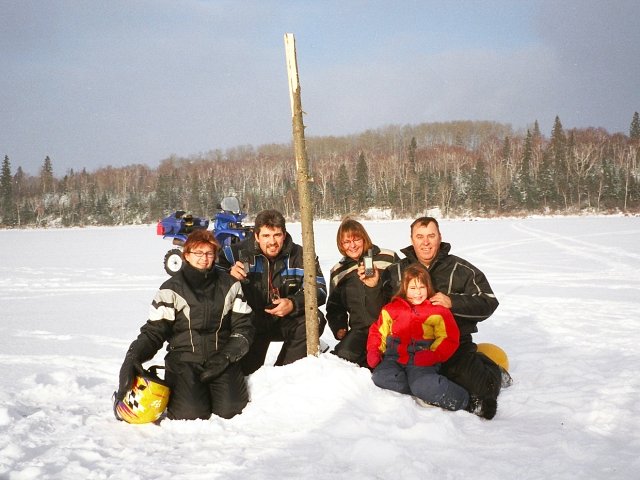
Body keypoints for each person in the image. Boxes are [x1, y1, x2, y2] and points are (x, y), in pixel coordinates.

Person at [115, 229, 254, 421]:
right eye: (198, 253)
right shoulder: (171, 289)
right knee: (190, 413)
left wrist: (226, 357)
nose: (204, 258)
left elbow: (244, 328)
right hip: (184, 361)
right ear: (186, 255)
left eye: (209, 253)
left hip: (220, 358)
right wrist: (134, 355)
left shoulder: (231, 285)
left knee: (232, 410)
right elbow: (154, 331)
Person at [381, 216, 507, 408]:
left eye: (431, 235)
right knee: (391, 378)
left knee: (476, 387)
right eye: (419, 236)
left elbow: (489, 301)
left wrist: (453, 302)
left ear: (439, 237)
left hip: (452, 344)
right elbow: (382, 310)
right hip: (410, 346)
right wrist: (372, 287)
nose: (425, 242)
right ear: (412, 239)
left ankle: (495, 372)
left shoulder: (460, 269)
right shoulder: (396, 271)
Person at [367, 264, 496, 419]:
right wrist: (374, 351)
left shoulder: (437, 310)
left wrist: (434, 355)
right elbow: (378, 331)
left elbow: (448, 337)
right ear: (404, 288)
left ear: (428, 287)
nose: (417, 293)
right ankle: (426, 390)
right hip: (395, 357)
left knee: (423, 384)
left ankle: (468, 401)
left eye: (421, 287)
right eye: (412, 288)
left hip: (422, 358)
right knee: (381, 377)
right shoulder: (392, 308)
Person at [217, 209, 327, 375]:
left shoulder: (302, 255)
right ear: (256, 236)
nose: (272, 241)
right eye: (266, 236)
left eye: (277, 235)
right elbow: (207, 274)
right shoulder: (235, 253)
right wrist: (228, 275)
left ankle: (283, 374)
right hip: (250, 323)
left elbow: (319, 289)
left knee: (314, 318)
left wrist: (293, 303)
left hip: (285, 319)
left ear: (284, 234)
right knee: (246, 376)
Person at [326, 218, 399, 366]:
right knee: (341, 361)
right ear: (341, 244)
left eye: (356, 239)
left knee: (389, 365)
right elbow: (334, 306)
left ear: (364, 238)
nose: (352, 245)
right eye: (347, 242)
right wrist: (339, 325)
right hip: (360, 330)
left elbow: (403, 291)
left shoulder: (388, 258)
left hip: (391, 327)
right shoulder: (338, 271)